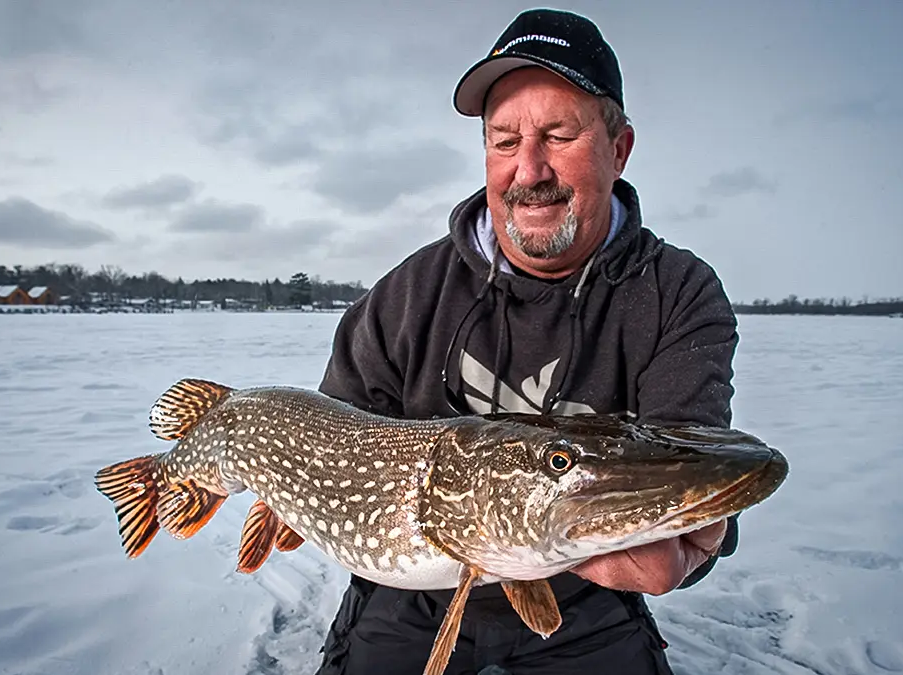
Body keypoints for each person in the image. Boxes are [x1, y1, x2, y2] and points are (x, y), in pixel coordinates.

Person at [313, 8, 740, 675]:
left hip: (586, 593)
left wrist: (698, 541)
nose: (529, 168)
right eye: (505, 140)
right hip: (410, 595)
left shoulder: (676, 294)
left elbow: (687, 458)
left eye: (557, 135)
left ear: (618, 146)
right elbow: (327, 441)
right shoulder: (407, 293)